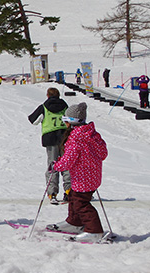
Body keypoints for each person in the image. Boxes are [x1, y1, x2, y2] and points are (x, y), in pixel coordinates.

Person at [47, 103, 109, 243]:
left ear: (72, 121)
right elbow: (103, 153)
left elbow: (68, 160)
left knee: (81, 204)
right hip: (91, 176)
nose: (65, 123)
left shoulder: (76, 138)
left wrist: (56, 166)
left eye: (66, 120)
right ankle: (74, 222)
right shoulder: (91, 134)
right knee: (74, 198)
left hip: (82, 178)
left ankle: (95, 231)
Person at [27, 87, 71, 204]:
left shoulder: (44, 106)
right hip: (64, 138)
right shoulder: (65, 106)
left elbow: (33, 120)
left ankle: (52, 193)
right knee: (66, 164)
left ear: (47, 95)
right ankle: (69, 191)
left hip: (50, 139)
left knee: (53, 165)